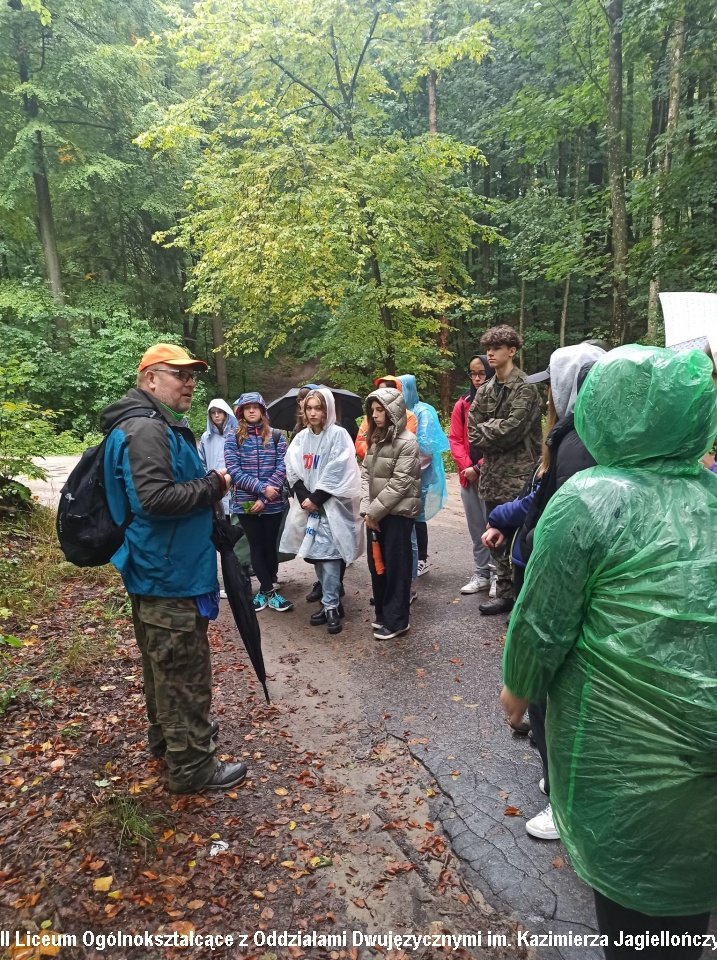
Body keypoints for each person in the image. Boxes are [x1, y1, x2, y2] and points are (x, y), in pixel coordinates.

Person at [501, 345, 717, 957]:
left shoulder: (588, 500)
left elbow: (542, 622)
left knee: (635, 912)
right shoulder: (711, 494)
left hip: (621, 752)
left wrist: (517, 692)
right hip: (704, 746)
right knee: (687, 895)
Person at [101, 343, 247, 794]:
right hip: (167, 574)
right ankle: (193, 767)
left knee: (163, 668)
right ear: (150, 379)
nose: (189, 383)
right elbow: (156, 499)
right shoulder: (146, 429)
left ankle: (168, 741)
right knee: (184, 674)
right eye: (178, 374)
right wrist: (214, 485)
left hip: (159, 568)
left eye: (193, 376)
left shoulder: (153, 423)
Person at [483, 341, 604, 840]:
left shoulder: (576, 445)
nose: (549, 393)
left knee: (554, 696)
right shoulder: (578, 435)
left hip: (559, 579)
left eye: (554, 383)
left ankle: (562, 800)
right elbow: (538, 499)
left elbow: (563, 530)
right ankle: (559, 782)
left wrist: (521, 676)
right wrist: (509, 522)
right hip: (543, 561)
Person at [468, 325, 542, 615]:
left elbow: (513, 430)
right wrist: (493, 432)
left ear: (511, 351)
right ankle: (505, 593)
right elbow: (472, 432)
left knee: (520, 537)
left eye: (497, 348)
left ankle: (523, 597)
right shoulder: (486, 389)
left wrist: (489, 431)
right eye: (488, 348)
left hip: (519, 476)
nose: (491, 353)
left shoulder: (525, 388)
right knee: (494, 535)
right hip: (493, 476)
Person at [280, 388, 363, 636]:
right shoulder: (301, 438)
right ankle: (330, 602)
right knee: (317, 555)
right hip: (309, 507)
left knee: (331, 556)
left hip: (332, 506)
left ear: (328, 410)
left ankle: (331, 606)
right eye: (309, 408)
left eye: (318, 408)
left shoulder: (338, 435)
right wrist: (305, 497)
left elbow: (340, 469)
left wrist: (317, 498)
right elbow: (292, 468)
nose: (313, 413)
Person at [360, 387, 421, 640]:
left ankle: (397, 621)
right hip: (375, 516)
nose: (375, 415)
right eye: (372, 410)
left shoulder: (408, 441)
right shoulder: (375, 439)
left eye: (380, 410)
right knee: (378, 566)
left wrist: (373, 512)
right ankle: (383, 614)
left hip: (398, 515)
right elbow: (365, 475)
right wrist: (367, 510)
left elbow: (400, 483)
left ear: (392, 411)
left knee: (396, 567)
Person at [224, 392, 293, 613]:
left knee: (270, 545)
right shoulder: (233, 438)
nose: (251, 411)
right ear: (241, 412)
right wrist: (262, 489)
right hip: (246, 503)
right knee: (256, 544)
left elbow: (283, 467)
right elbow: (234, 470)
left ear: (262, 410)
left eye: (255, 407)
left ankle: (265, 590)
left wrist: (265, 497)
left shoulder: (276, 436)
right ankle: (270, 591)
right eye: (247, 407)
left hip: (272, 502)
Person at [448, 355, 495, 594]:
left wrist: (479, 468)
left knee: (494, 525)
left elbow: (501, 440)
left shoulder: (499, 402)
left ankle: (498, 574)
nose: (477, 378)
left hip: (493, 474)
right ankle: (481, 573)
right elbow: (455, 438)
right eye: (473, 374)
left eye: (481, 373)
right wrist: (468, 467)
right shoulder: (463, 403)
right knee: (476, 528)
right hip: (468, 476)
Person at [397, 375, 449, 577]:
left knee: (417, 514)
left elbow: (426, 446)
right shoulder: (398, 411)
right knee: (405, 515)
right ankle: (409, 556)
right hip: (402, 472)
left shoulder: (422, 411)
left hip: (421, 471)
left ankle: (421, 559)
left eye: (401, 389)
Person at [198, 399, 238, 600]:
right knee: (218, 537)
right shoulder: (206, 438)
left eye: (219, 412)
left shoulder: (237, 435)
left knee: (236, 537)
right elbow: (202, 463)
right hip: (215, 492)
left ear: (226, 413)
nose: (216, 416)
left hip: (236, 490)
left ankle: (239, 580)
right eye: (213, 413)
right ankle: (223, 583)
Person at [355, 376, 417, 459]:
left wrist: (377, 451)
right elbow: (360, 443)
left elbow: (404, 446)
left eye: (386, 391)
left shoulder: (408, 417)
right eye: (379, 391)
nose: (382, 395)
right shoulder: (371, 416)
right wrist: (373, 453)